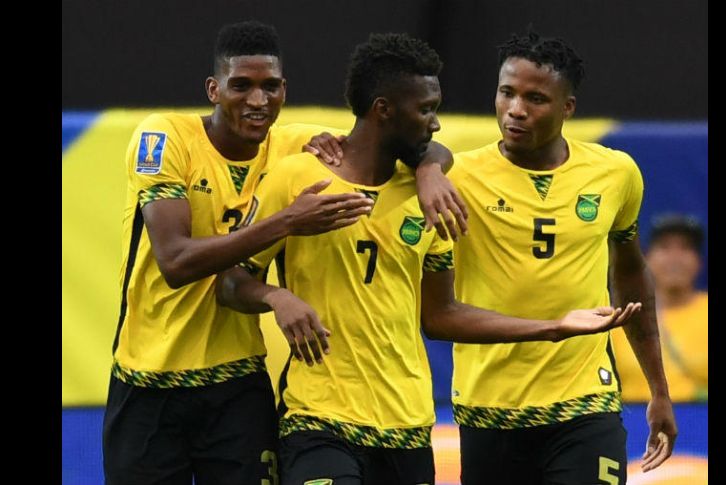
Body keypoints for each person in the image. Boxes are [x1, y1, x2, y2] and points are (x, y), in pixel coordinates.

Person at [216, 32, 640, 485]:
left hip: (408, 428)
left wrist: (554, 327)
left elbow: (440, 314)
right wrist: (277, 297)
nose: (435, 124)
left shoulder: (429, 197)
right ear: (384, 110)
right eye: (426, 110)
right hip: (317, 418)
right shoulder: (297, 177)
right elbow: (231, 283)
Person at [102, 20, 464, 485]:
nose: (258, 101)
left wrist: (431, 170)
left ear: (285, 90)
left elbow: (399, 130)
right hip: (148, 379)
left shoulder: (296, 146)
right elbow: (175, 263)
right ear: (213, 89)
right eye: (242, 86)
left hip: (238, 383)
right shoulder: (164, 138)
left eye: (270, 87)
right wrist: (287, 224)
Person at [446, 32, 678, 484]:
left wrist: (658, 390)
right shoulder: (455, 174)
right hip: (488, 407)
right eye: (506, 93)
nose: (516, 109)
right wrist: (430, 166)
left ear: (567, 108)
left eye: (536, 98)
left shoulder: (615, 172)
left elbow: (630, 274)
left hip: (586, 402)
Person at [612, 214, 708, 402]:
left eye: (685, 248)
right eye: (664, 247)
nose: (675, 259)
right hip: (634, 424)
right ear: (646, 258)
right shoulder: (622, 316)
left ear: (699, 261)